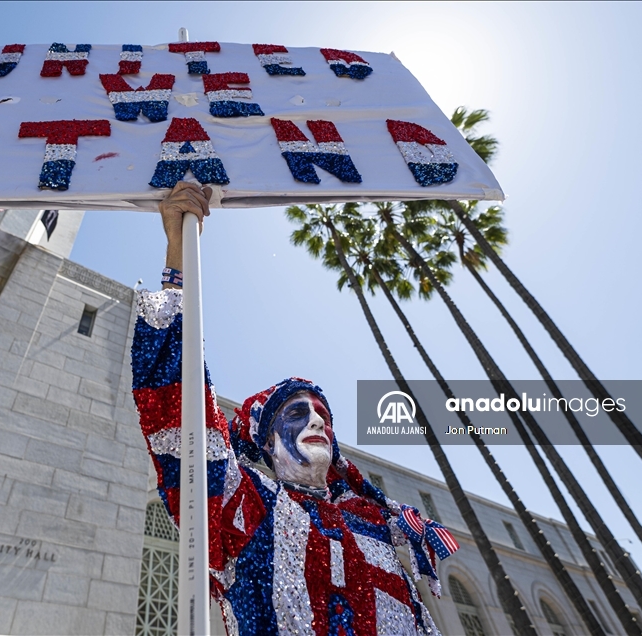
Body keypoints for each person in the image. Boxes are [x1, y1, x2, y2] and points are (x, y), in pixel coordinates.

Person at [132, 183, 458, 636]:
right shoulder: (246, 509)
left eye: (322, 413)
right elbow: (177, 409)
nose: (318, 420)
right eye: (296, 414)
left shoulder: (373, 522)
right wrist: (178, 257)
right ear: (266, 442)